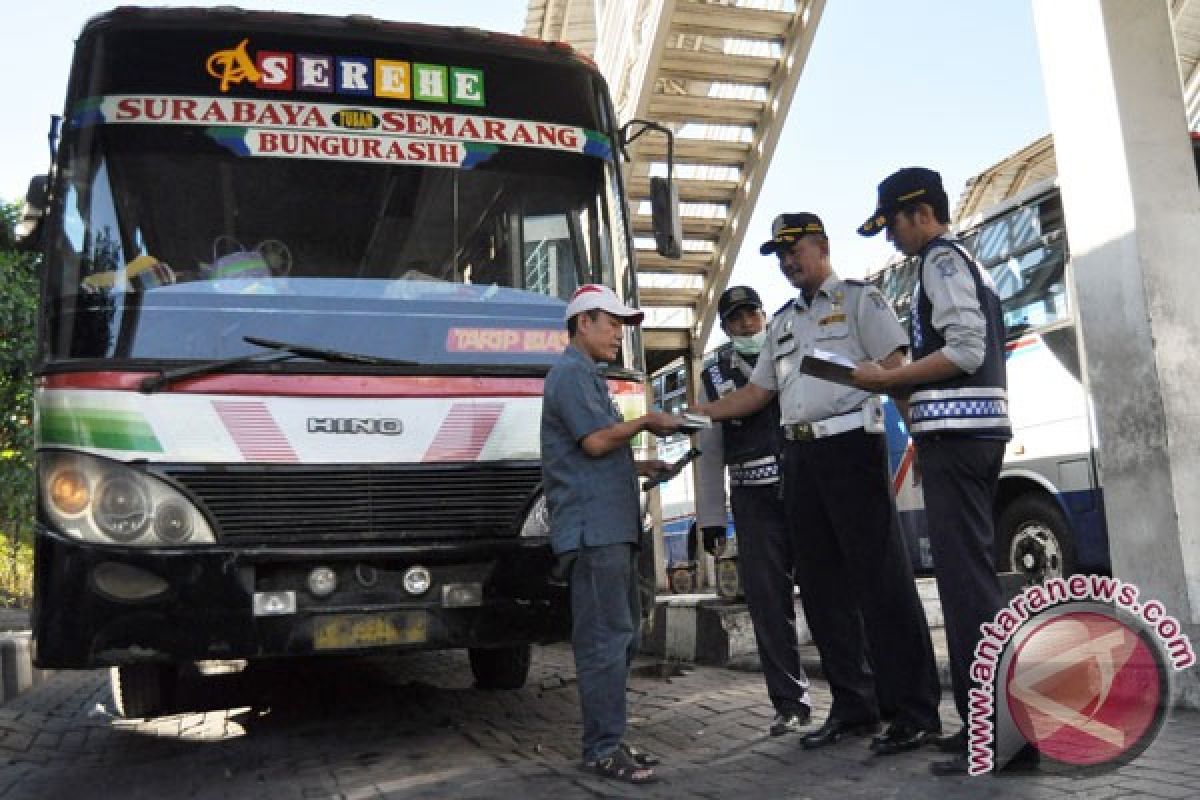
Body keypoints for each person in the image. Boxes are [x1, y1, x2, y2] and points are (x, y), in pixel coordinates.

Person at [694, 213, 942, 757]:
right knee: (823, 589)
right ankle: (854, 706)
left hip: (852, 448)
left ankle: (915, 710)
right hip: (798, 459)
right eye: (778, 255)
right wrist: (695, 416)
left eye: (794, 250)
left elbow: (898, 367)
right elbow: (756, 396)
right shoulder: (782, 323)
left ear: (822, 247)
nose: (786, 262)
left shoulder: (859, 301)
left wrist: (921, 439)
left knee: (882, 584)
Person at [853, 167, 1013, 775]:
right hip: (960, 433)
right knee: (967, 581)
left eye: (892, 223)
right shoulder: (960, 261)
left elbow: (966, 348)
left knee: (969, 589)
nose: (890, 238)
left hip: (962, 436)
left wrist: (888, 379)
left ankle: (996, 731)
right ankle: (986, 721)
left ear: (920, 213)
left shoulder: (941, 261)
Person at [540, 283, 684, 785]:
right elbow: (597, 441)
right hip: (593, 532)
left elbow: (598, 453)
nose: (619, 336)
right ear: (584, 322)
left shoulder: (589, 378)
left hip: (611, 528)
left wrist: (644, 464)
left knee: (619, 640)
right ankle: (601, 749)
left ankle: (610, 739)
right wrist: (647, 420)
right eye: (613, 324)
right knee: (605, 641)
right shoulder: (570, 375)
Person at [694, 285, 813, 736]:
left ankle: (852, 697)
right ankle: (790, 704)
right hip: (752, 499)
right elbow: (709, 446)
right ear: (725, 327)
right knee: (767, 603)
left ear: (764, 316)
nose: (747, 325)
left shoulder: (792, 352)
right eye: (736, 319)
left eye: (752, 315)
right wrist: (710, 517)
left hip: (802, 487)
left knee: (824, 590)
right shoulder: (715, 373)